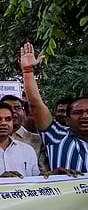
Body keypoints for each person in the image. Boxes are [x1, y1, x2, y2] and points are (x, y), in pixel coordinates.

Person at [21, 42, 86, 174]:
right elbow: (35, 104)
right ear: (67, 120)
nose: (85, 116)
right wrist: (28, 71)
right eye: (78, 112)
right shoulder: (57, 135)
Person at [0, 95, 50, 171]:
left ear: (24, 113)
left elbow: (43, 173)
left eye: (17, 108)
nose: (13, 111)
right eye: (8, 108)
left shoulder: (37, 140)